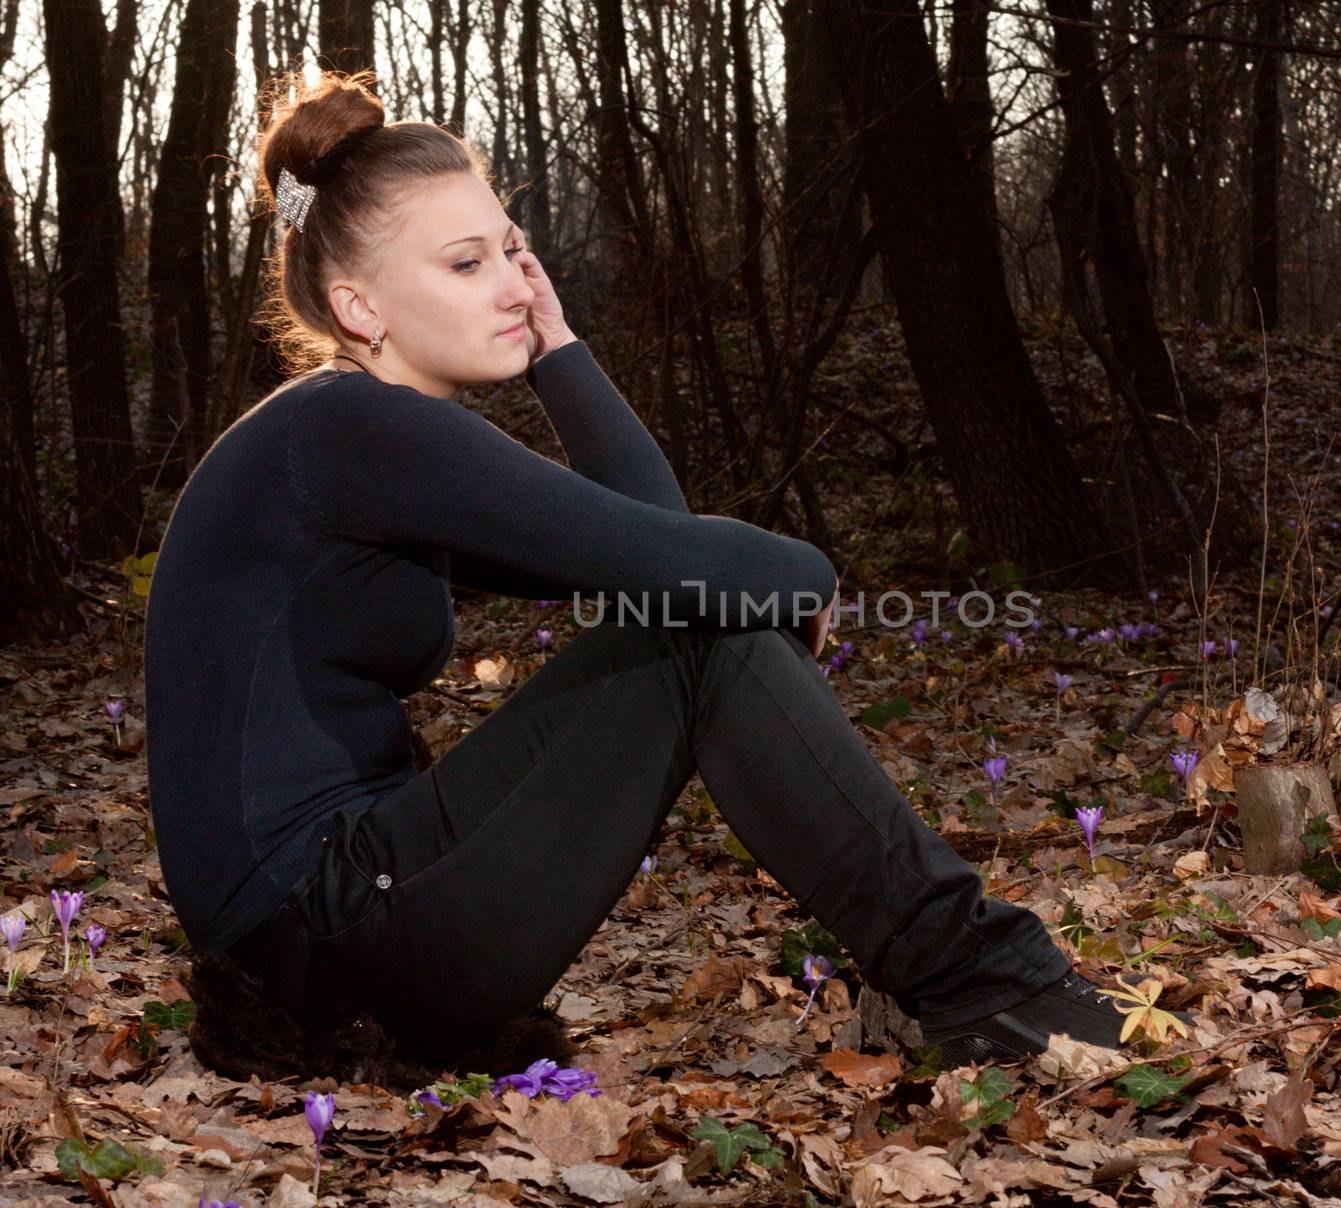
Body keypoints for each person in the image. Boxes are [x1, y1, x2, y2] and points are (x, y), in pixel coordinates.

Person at [146, 69, 1161, 1090]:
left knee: (699, 621)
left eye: (512, 250)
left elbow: (659, 544)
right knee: (701, 634)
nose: (510, 282)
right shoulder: (351, 428)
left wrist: (561, 349)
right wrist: (793, 580)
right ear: (357, 305)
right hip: (321, 937)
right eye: (465, 263)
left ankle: (978, 977)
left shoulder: (359, 438)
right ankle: (987, 981)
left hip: (341, 923)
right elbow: (697, 567)